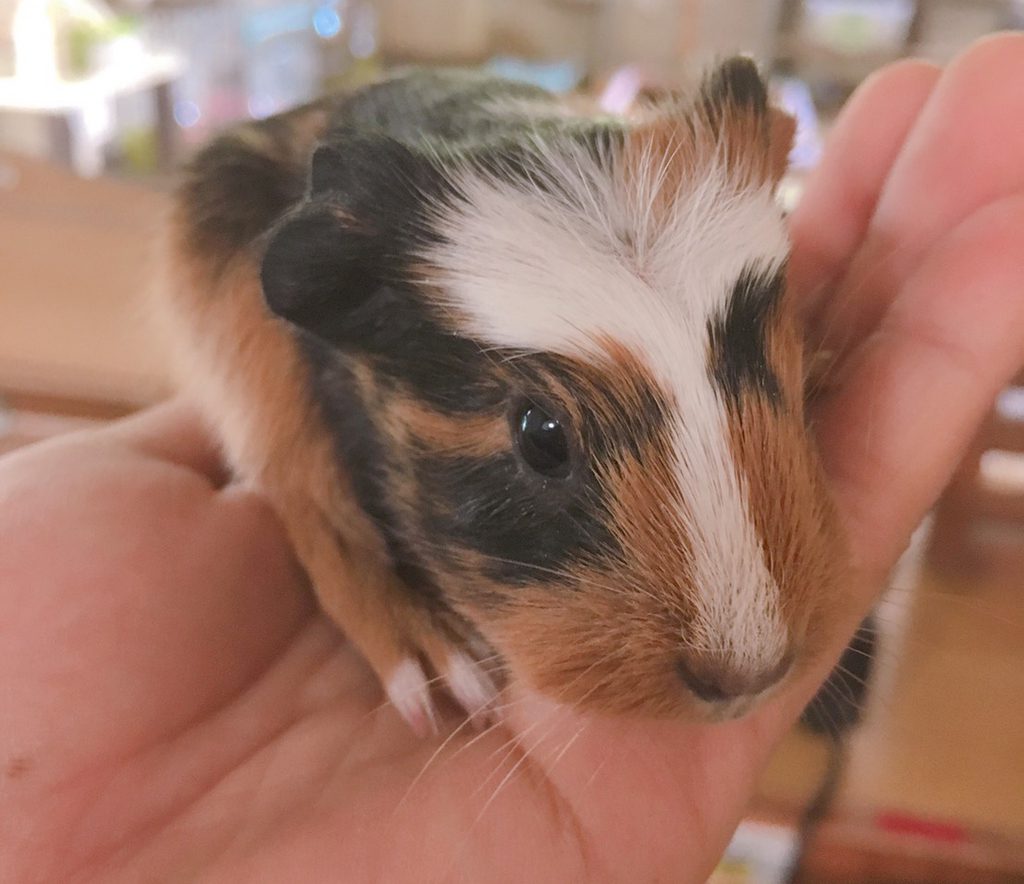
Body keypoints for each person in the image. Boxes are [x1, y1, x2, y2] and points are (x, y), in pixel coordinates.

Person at [3, 33, 1023, 883]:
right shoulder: (385, 293)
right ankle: (341, 553)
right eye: (543, 438)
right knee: (231, 245)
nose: (746, 658)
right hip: (304, 185)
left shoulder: (700, 246)